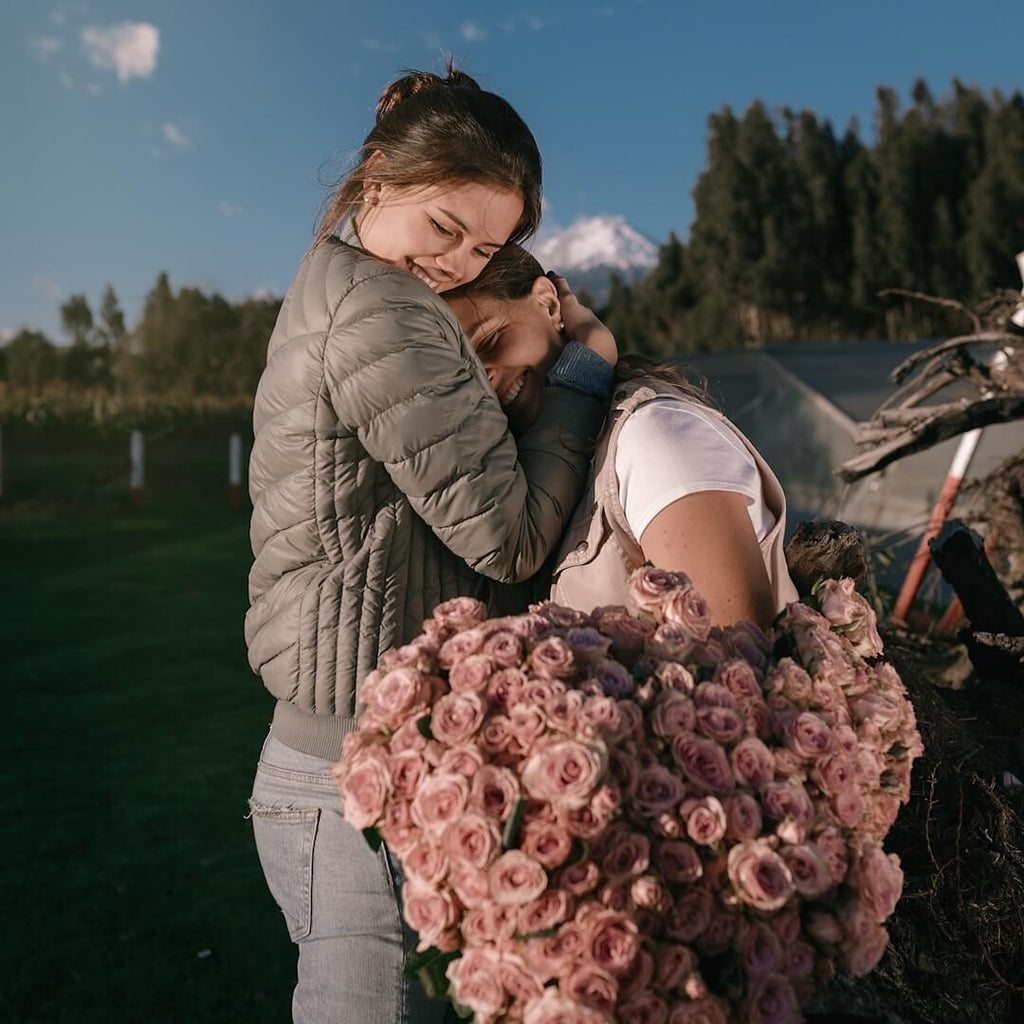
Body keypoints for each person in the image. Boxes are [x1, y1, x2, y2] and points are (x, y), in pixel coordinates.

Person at [244, 67, 617, 1024]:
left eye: (485, 247)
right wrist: (582, 369)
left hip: (360, 763)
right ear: (378, 181)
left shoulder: (339, 278)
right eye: (442, 228)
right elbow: (509, 537)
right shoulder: (381, 309)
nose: (454, 263)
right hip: (344, 784)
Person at [445, 244, 799, 628]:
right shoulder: (520, 473)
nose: (486, 379)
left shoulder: (654, 438)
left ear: (548, 304)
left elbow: (739, 657)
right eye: (462, 373)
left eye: (491, 341)